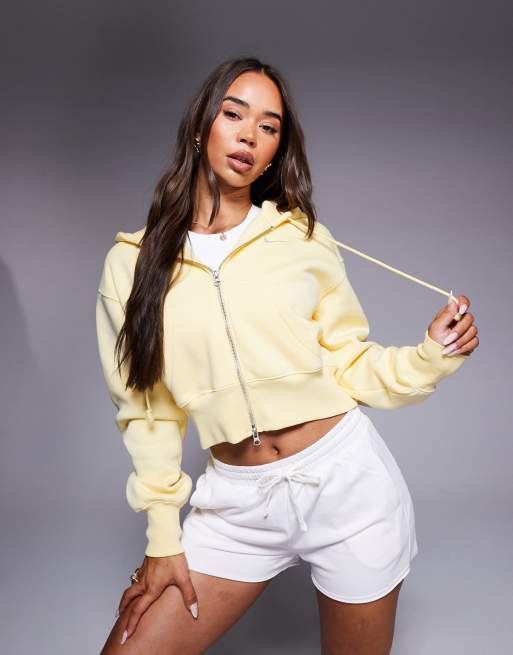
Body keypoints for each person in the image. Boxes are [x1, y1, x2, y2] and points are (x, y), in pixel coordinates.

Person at [95, 56, 479, 654]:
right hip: (235, 505)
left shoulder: (301, 238)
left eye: (269, 126)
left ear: (277, 150)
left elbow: (348, 363)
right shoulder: (131, 263)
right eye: (234, 115)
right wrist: (163, 538)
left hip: (346, 487)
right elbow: (147, 414)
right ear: (201, 127)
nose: (249, 135)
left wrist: (432, 354)